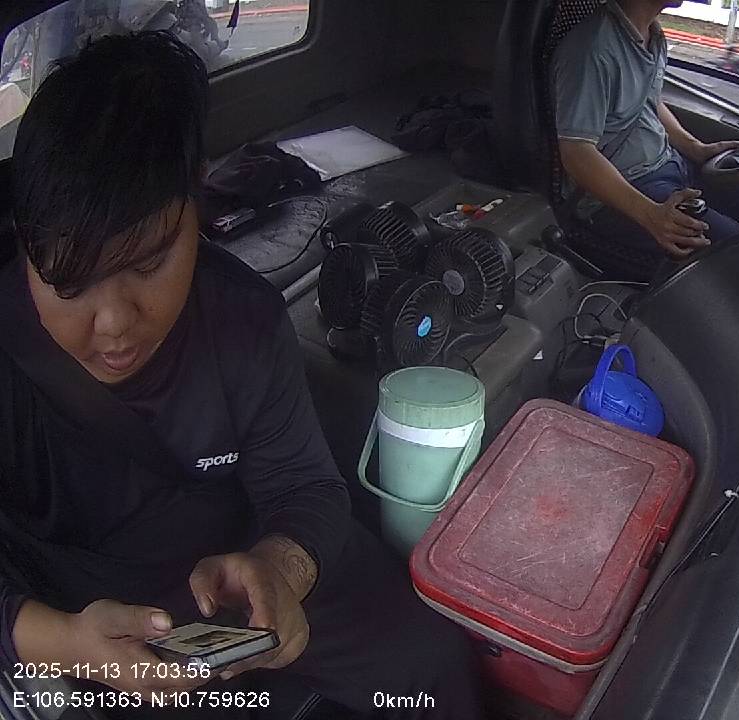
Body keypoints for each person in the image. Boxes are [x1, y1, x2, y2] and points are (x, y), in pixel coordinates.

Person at [0, 33, 479, 719]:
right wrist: (57, 642)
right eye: (70, 284)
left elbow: (305, 485)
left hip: (238, 575)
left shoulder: (242, 318)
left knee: (428, 669)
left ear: (197, 204)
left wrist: (281, 568)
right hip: (75, 609)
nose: (114, 325)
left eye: (147, 264)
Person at [554, 0, 739, 265]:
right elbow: (576, 151)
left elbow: (649, 100)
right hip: (626, 188)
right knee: (734, 250)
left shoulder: (652, 34)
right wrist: (650, 214)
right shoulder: (592, 49)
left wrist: (695, 147)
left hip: (672, 164)